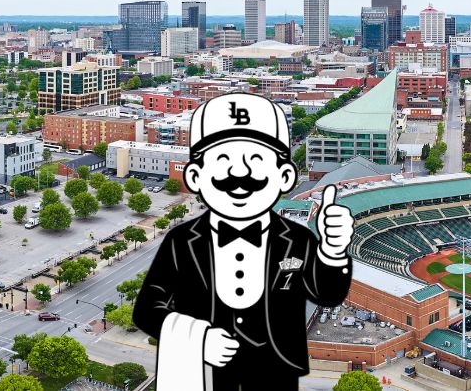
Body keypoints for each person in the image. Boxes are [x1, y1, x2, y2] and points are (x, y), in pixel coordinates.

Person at [133, 94, 353, 390]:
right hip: (206, 377)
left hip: (275, 374)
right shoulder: (181, 241)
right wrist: (199, 339)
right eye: (223, 161)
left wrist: (333, 250)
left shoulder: (297, 238)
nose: (239, 173)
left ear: (285, 176)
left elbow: (327, 295)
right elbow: (146, 309)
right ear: (196, 176)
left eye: (256, 161)